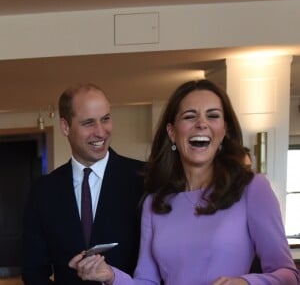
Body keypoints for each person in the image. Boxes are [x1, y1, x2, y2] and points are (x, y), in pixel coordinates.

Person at [68, 79, 299, 285]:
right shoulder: (155, 202)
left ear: (224, 130)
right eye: (190, 116)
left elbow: (287, 274)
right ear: (172, 132)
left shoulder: (252, 188)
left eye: (213, 115)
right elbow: (147, 280)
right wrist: (110, 275)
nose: (201, 123)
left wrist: (246, 283)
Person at [21, 83, 145, 284]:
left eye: (105, 119)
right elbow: (33, 271)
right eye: (88, 123)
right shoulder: (43, 192)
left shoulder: (145, 179)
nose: (100, 132)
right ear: (65, 126)